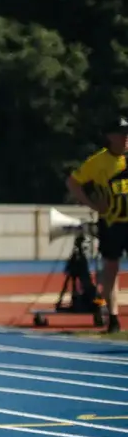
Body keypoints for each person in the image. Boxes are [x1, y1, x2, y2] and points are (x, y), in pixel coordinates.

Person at [66, 114, 127, 334]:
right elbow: (73, 182)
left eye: (127, 135)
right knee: (111, 270)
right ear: (110, 137)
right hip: (111, 222)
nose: (125, 139)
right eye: (121, 135)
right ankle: (112, 317)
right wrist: (91, 204)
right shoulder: (98, 161)